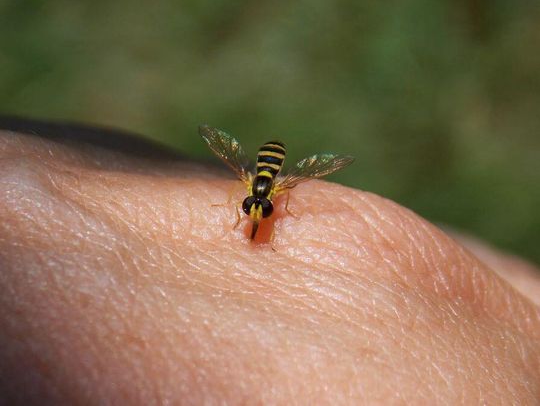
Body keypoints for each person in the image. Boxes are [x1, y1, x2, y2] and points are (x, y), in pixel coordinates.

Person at [0, 119, 538, 404]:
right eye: (257, 206)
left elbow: (297, 178)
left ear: (270, 195)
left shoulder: (280, 187)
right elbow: (230, 164)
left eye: (262, 205)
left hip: (274, 157)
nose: (259, 210)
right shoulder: (248, 189)